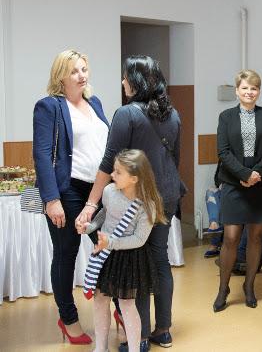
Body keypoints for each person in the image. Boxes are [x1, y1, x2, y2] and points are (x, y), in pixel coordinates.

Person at [76, 55, 183, 351]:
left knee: (137, 264)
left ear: (136, 81)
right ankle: (164, 330)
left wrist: (91, 203)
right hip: (167, 195)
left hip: (138, 198)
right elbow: (175, 159)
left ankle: (141, 336)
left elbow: (109, 161)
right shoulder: (172, 114)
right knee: (159, 260)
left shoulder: (126, 114)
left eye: (126, 76)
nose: (123, 81)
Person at [33, 49, 109, 345]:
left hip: (98, 191)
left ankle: (119, 307)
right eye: (74, 71)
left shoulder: (95, 102)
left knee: (109, 249)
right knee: (66, 253)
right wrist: (51, 199)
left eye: (84, 69)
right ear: (61, 76)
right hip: (68, 191)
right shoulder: (49, 106)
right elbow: (42, 154)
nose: (81, 75)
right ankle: (68, 319)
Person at [78, 150, 166, 352]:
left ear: (134, 178)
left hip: (129, 257)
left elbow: (139, 239)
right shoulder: (109, 192)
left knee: (127, 304)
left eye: (118, 172)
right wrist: (89, 228)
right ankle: (101, 348)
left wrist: (110, 242)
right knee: (100, 300)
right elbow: (104, 214)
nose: (112, 175)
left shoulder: (148, 205)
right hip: (106, 255)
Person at [213, 69, 262, 312]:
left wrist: (256, 173)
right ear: (237, 91)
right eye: (245, 88)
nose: (249, 92)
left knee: (256, 237)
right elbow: (223, 151)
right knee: (231, 237)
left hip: (261, 183)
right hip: (234, 183)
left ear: (258, 91)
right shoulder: (226, 117)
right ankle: (223, 288)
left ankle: (249, 286)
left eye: (254, 88)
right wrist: (243, 174)